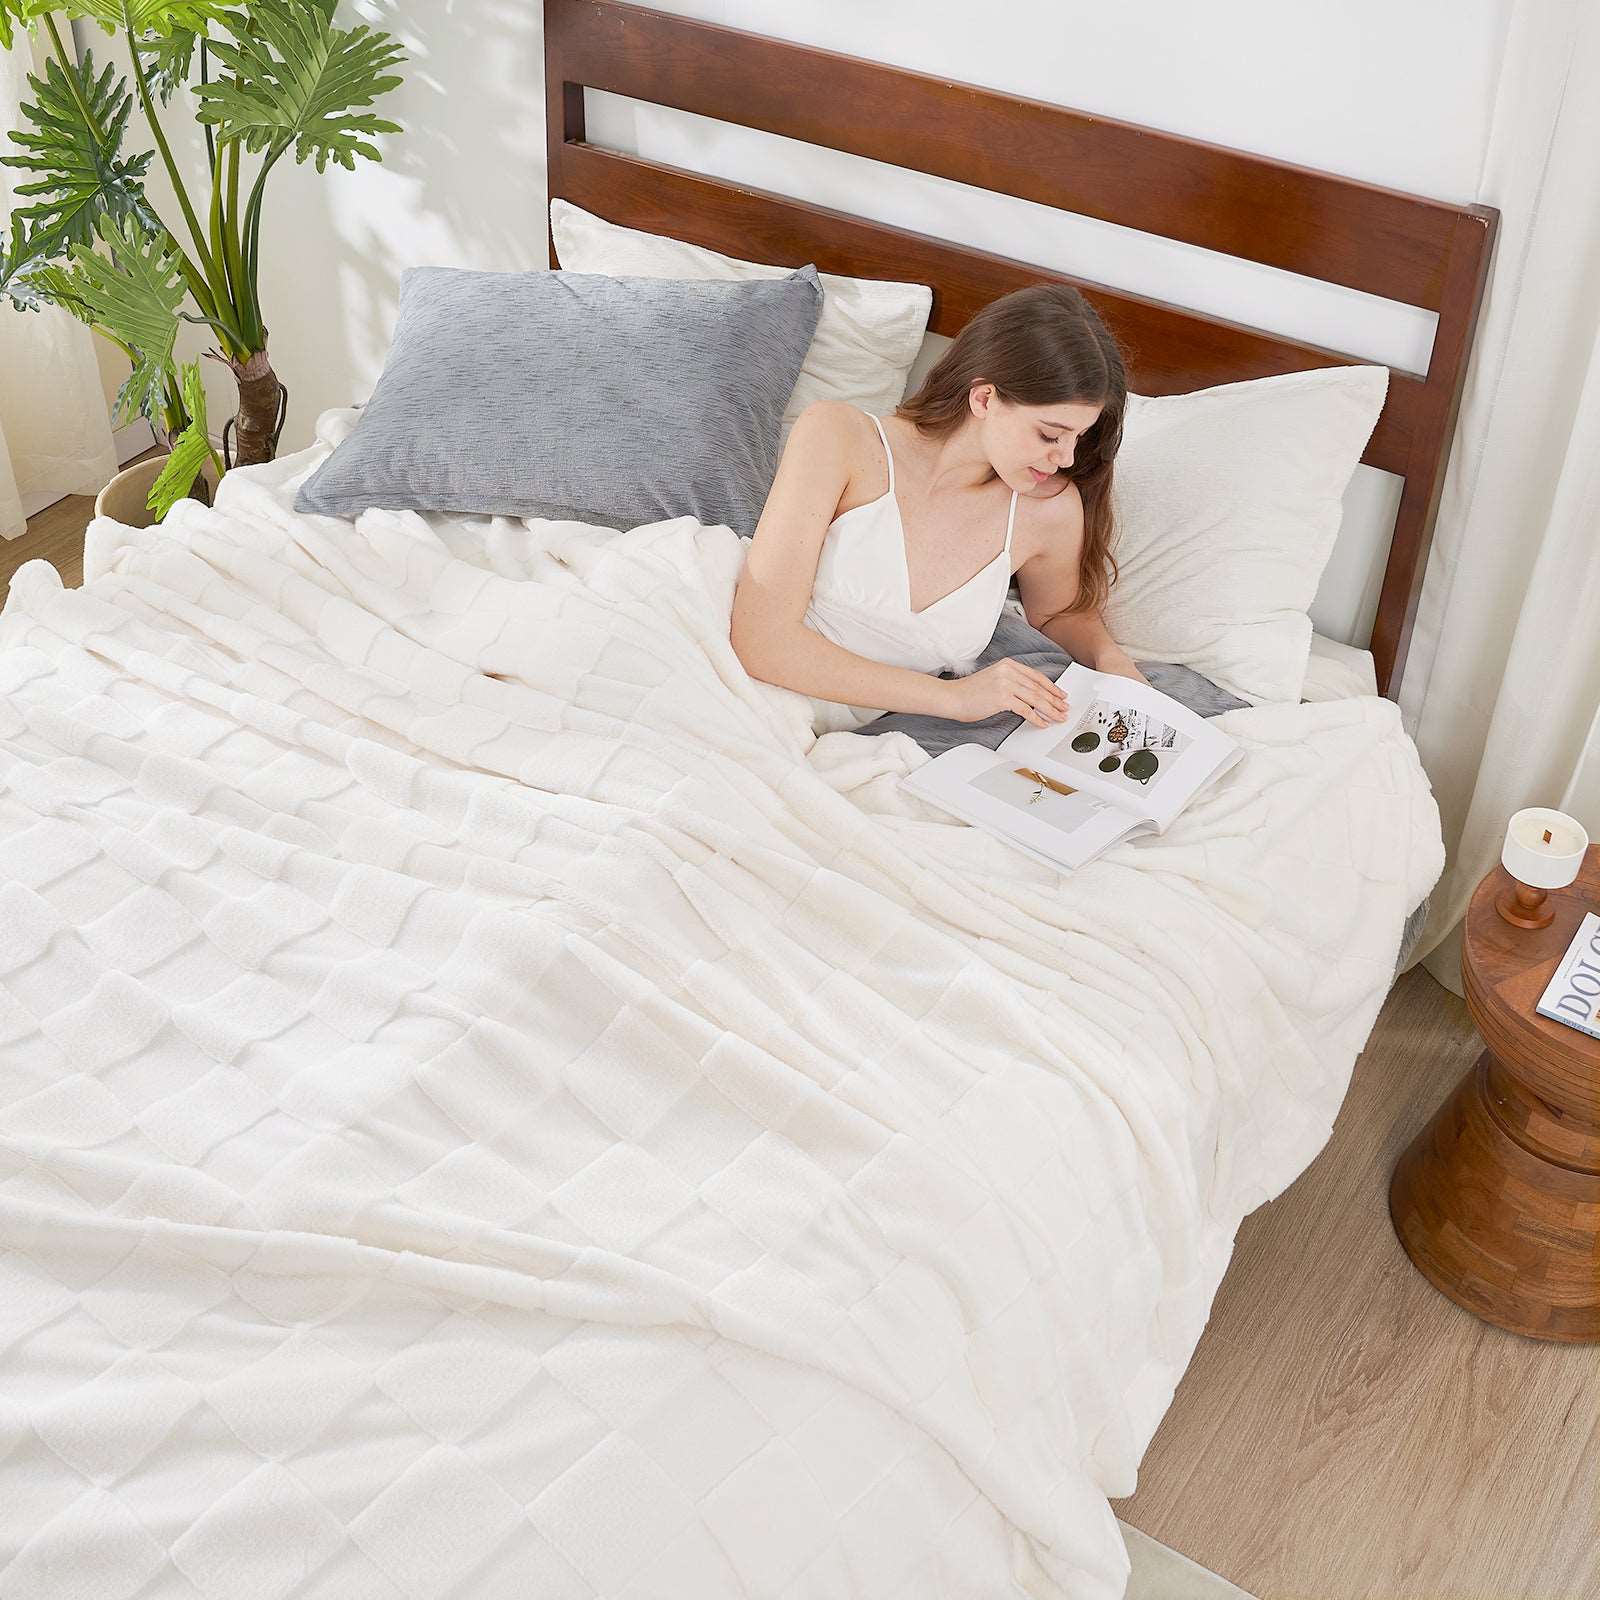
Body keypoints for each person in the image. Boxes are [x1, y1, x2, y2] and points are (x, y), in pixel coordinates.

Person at [730, 281, 1143, 736]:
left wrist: (1110, 658)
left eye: (1078, 438)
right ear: (984, 398)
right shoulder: (840, 437)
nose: (1066, 458)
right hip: (734, 683)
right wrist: (953, 698)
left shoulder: (1047, 509)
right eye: (1049, 434)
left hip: (847, 732)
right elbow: (762, 642)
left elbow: (1060, 614)